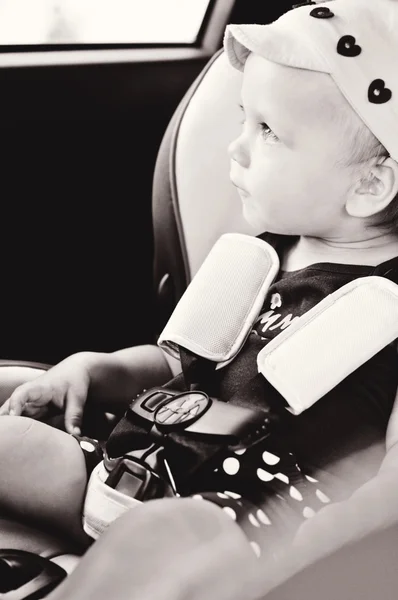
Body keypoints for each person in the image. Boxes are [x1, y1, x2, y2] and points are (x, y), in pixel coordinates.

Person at [1, 0, 398, 591]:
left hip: (247, 534)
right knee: (11, 441)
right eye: (243, 119)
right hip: (127, 469)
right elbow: (180, 364)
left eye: (267, 132)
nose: (236, 149)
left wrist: (310, 566)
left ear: (369, 183)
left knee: (158, 547)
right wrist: (100, 370)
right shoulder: (257, 256)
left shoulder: (386, 309)